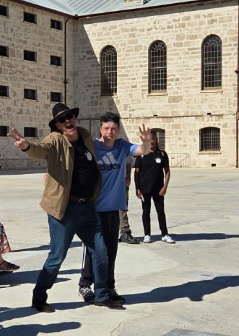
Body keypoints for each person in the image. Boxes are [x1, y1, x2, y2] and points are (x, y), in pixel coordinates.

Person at [9, 103, 122, 312]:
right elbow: (40, 151)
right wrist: (26, 146)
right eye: (61, 120)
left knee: (100, 251)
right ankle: (39, 297)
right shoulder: (55, 140)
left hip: (88, 207)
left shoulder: (85, 135)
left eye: (69, 116)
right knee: (57, 257)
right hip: (64, 209)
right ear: (58, 126)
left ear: (74, 118)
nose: (67, 121)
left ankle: (102, 295)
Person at [77, 112, 152, 303]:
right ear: (100, 129)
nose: (110, 132)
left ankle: (109, 286)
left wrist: (146, 141)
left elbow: (142, 151)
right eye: (106, 128)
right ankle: (85, 285)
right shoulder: (92, 146)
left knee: (111, 250)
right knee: (93, 249)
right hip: (93, 208)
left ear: (118, 130)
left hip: (113, 208)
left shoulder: (122, 146)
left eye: (113, 128)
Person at [134, 134, 173, 244]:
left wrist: (165, 187)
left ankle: (164, 234)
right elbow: (136, 173)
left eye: (153, 139)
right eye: (149, 140)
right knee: (146, 212)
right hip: (145, 189)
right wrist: (137, 189)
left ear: (156, 140)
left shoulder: (162, 154)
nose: (151, 142)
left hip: (158, 189)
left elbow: (167, 171)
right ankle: (147, 234)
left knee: (161, 212)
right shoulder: (142, 155)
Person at [117, 155, 139, 244]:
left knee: (123, 207)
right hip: (106, 182)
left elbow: (128, 163)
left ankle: (125, 232)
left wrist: (128, 176)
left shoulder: (122, 143)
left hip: (121, 181)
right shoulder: (99, 143)